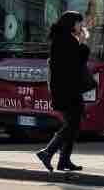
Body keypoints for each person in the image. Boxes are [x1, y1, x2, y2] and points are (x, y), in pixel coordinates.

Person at [36, 10, 94, 173]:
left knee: (73, 124)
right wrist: (82, 43)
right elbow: (77, 62)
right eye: (79, 23)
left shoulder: (62, 39)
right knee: (72, 124)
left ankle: (63, 160)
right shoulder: (65, 40)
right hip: (67, 90)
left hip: (65, 89)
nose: (81, 26)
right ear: (71, 24)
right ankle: (48, 152)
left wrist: (80, 42)